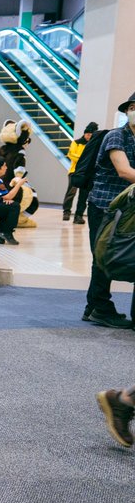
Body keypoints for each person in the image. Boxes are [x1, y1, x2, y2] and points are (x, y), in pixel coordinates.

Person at [83, 92, 135, 328]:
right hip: (104, 206)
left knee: (122, 255)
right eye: (132, 107)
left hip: (127, 210)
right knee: (102, 256)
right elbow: (124, 171)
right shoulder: (116, 136)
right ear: (127, 111)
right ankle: (99, 307)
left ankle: (94, 307)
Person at [63, 122, 99, 223]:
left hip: (88, 174)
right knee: (71, 193)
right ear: (84, 134)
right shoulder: (76, 142)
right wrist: (85, 159)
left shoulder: (94, 145)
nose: (88, 136)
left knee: (84, 196)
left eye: (91, 135)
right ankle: (66, 212)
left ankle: (78, 216)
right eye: (87, 134)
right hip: (75, 172)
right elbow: (71, 155)